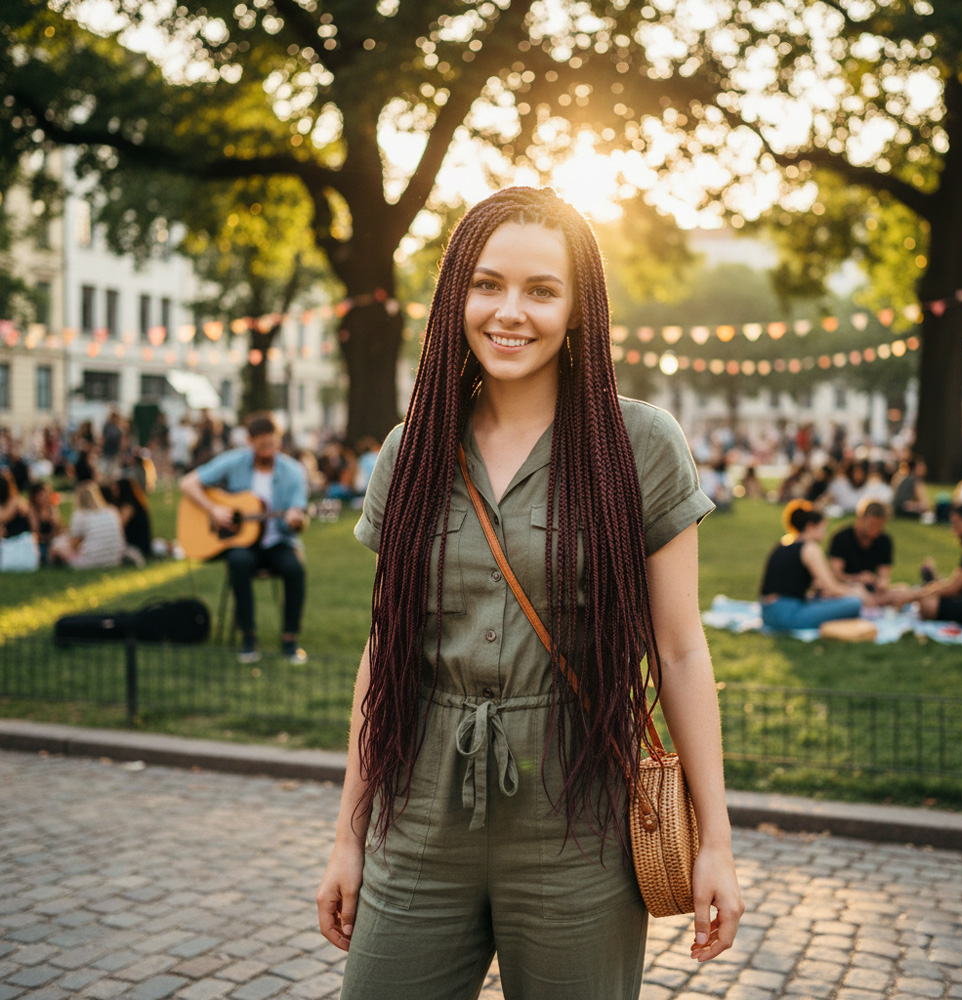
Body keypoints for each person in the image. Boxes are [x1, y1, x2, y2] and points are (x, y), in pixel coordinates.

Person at [314, 187, 743, 999]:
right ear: (455, 298)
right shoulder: (410, 452)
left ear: (580, 309)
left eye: (542, 290)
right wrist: (348, 836)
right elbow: (386, 650)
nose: (510, 312)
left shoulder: (640, 444)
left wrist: (714, 839)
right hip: (418, 813)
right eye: (487, 284)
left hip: (577, 816)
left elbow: (682, 650)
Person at [180, 412, 309, 664]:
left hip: (277, 541)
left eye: (272, 443)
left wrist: (296, 519)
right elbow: (188, 484)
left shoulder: (293, 472)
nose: (268, 450)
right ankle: (248, 637)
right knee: (238, 561)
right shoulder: (235, 461)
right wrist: (213, 509)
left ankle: (290, 639)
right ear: (250, 442)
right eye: (262, 445)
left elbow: (298, 514)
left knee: (295, 567)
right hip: (242, 544)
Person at [759, 503, 872, 631]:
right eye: (823, 528)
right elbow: (832, 587)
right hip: (787, 616)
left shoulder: (783, 544)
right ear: (810, 527)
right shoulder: (810, 548)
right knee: (854, 603)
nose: (825, 533)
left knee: (823, 599)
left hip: (767, 613)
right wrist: (856, 593)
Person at [891, 504, 962, 628]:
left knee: (928, 604)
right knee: (931, 596)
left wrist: (913, 596)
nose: (953, 531)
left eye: (956, 524)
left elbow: (953, 588)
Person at [49, 480, 126, 569]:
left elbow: (74, 544)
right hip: (115, 558)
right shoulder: (112, 511)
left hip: (91, 562)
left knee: (57, 545)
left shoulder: (80, 515)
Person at [828, 499, 894, 594]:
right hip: (845, 588)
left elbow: (884, 575)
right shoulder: (841, 538)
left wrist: (881, 583)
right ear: (861, 519)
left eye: (879, 526)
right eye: (872, 525)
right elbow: (836, 575)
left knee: (903, 590)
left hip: (871, 590)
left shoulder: (884, 541)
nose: (875, 529)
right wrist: (857, 578)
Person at [27, 482, 63, 565]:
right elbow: (35, 531)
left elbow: (58, 526)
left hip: (53, 540)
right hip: (40, 542)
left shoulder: (51, 507)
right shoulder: (32, 509)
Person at [892, 455, 930, 520]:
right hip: (905, 509)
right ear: (916, 468)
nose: (924, 468)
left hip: (896, 509)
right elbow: (924, 502)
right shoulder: (916, 481)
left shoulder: (904, 479)